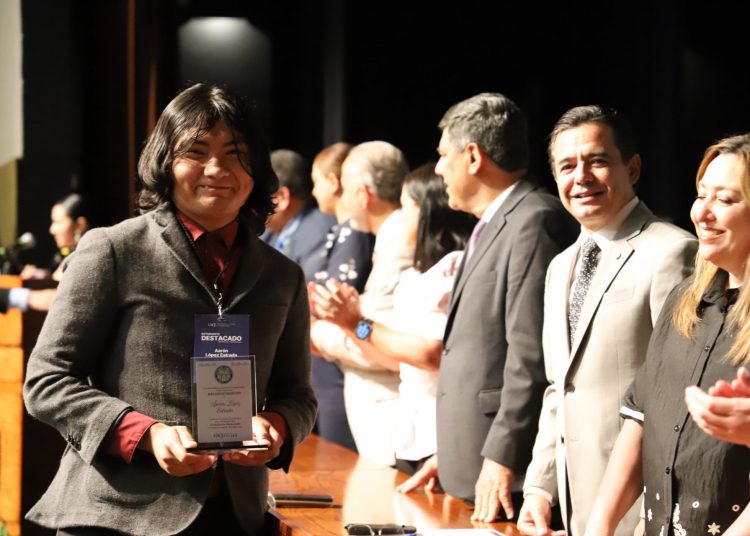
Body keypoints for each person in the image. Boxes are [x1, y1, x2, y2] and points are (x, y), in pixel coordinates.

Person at [22, 83, 317, 535]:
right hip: (116, 518)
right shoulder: (113, 250)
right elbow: (47, 381)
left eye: (235, 154)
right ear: (164, 162)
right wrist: (146, 434)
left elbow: (298, 397)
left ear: (256, 168)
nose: (217, 169)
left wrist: (276, 427)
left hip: (235, 517)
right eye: (196, 152)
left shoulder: (283, 275)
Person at [517, 106, 697, 536]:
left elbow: (679, 398)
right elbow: (559, 387)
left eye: (596, 161)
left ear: (632, 168)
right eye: (567, 166)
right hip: (574, 506)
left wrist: (648, 517)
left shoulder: (673, 251)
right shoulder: (559, 266)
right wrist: (539, 489)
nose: (581, 177)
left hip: (640, 508)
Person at [399, 93, 577, 522]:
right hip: (471, 460)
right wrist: (453, 451)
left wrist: (501, 456)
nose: (438, 168)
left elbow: (529, 357)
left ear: (473, 156)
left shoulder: (533, 219)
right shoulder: (494, 222)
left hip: (508, 476)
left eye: (444, 155)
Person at [585, 133, 750, 535]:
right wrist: (599, 525)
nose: (702, 213)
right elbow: (642, 417)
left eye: (725, 200)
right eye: (701, 194)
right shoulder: (684, 299)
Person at [310, 163, 475, 474]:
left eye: (406, 207)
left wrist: (354, 322)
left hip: (443, 437)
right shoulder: (414, 276)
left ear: (429, 212)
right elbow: (392, 357)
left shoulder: (453, 267)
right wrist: (348, 323)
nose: (399, 217)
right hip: (410, 437)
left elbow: (430, 353)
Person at [309, 140, 412, 466]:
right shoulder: (391, 236)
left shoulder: (401, 241)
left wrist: (319, 331)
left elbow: (381, 344)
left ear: (364, 195)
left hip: (390, 412)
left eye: (346, 189)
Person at [305, 142, 375, 452]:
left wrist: (310, 320)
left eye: (316, 181)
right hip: (324, 359)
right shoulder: (340, 230)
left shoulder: (355, 233)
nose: (313, 191)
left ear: (334, 182)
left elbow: (338, 302)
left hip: (338, 362)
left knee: (339, 458)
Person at [0, 193, 93, 313]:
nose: (52, 230)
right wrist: (41, 278)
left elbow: (66, 299)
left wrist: (10, 296)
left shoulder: (88, 259)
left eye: (58, 222)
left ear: (80, 225)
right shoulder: (66, 257)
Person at [262, 149, 335, 263]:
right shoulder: (267, 234)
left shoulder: (318, 234)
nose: (250, 203)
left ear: (281, 198)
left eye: (257, 194)